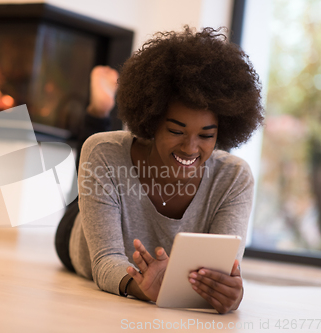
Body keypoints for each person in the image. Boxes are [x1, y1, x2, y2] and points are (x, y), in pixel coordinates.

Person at [55, 26, 264, 314]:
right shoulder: (104, 153)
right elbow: (104, 262)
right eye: (176, 131)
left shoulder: (233, 178)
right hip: (75, 236)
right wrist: (139, 287)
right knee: (86, 173)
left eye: (205, 135)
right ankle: (99, 111)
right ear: (152, 122)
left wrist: (226, 293)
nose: (191, 148)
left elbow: (221, 274)